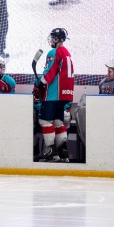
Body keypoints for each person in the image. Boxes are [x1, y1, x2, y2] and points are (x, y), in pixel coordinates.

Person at [34, 28, 75, 163]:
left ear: (57, 39)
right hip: (64, 95)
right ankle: (62, 152)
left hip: (53, 94)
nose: (51, 40)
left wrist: (41, 83)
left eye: (52, 37)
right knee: (58, 122)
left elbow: (51, 70)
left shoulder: (54, 52)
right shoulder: (67, 53)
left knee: (45, 121)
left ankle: (50, 151)